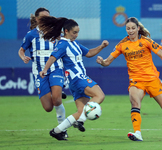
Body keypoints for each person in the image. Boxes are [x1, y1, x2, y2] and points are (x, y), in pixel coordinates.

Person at [96, 17, 162, 141]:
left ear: (138, 28)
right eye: (128, 28)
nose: (131, 31)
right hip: (136, 80)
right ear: (126, 29)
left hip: (152, 79)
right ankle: (137, 133)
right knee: (135, 103)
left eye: (133, 28)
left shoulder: (146, 41)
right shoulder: (122, 45)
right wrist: (102, 62)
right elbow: (108, 62)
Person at [38, 16, 109, 140]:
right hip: (78, 78)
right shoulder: (63, 44)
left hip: (75, 82)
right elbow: (53, 57)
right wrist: (45, 70)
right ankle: (80, 121)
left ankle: (57, 131)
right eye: (74, 32)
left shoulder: (74, 43)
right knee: (100, 96)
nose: (76, 35)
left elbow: (89, 53)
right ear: (66, 31)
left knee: (81, 111)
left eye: (77, 32)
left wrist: (101, 46)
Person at [18, 8, 68, 137]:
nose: (46, 20)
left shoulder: (55, 33)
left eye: (48, 17)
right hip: (39, 72)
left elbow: (64, 45)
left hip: (55, 68)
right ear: (36, 19)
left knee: (57, 100)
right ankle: (55, 91)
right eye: (43, 17)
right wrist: (23, 57)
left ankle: (62, 129)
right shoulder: (31, 35)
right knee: (48, 108)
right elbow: (21, 50)